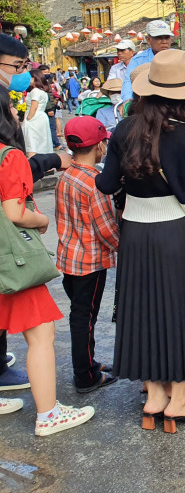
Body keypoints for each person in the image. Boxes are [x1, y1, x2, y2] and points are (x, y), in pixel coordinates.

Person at [95, 49, 185, 432]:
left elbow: (104, 183)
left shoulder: (125, 129)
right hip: (176, 232)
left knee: (143, 311)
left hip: (135, 233)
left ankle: (153, 396)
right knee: (181, 312)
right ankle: (177, 401)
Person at [0, 87, 96, 432]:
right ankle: (48, 413)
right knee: (41, 334)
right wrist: (40, 220)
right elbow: (14, 212)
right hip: (11, 260)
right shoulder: (7, 157)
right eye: (11, 106)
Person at [56, 117, 119, 393]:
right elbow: (105, 228)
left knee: (81, 315)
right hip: (90, 261)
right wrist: (125, 247)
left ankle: (89, 363)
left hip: (69, 258)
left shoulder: (67, 175)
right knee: (85, 318)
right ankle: (86, 374)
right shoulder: (95, 182)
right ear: (99, 146)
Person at [119, 20, 174, 102]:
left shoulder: (180, 57)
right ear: (148, 40)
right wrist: (127, 100)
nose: (164, 42)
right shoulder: (138, 60)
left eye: (167, 38)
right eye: (159, 38)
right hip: (148, 103)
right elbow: (128, 82)